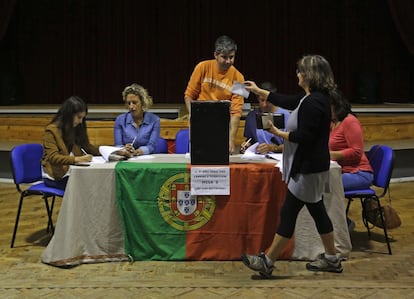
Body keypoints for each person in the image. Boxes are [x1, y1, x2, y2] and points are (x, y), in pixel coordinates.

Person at [241, 54, 343, 277]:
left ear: (309, 75)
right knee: (317, 212)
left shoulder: (315, 102)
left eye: (299, 71)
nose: (297, 74)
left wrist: (278, 133)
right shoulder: (311, 97)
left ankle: (267, 261)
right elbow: (286, 100)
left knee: (289, 212)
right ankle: (332, 258)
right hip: (310, 168)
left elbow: (304, 136)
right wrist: (259, 91)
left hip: (308, 168)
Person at [184, 35, 245, 154]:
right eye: (224, 57)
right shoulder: (202, 67)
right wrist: (194, 115)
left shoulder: (240, 78)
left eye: (231, 57)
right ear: (215, 55)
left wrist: (231, 139)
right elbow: (188, 95)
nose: (228, 61)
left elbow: (236, 111)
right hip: (200, 122)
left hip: (222, 125)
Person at [329, 89, 373, 230]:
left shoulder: (349, 121)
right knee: (317, 183)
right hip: (342, 172)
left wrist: (331, 155)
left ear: (335, 105)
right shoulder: (333, 122)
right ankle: (333, 226)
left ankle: (343, 224)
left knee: (324, 186)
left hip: (359, 173)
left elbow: (356, 152)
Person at [42, 96, 100, 190]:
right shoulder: (51, 131)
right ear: (68, 115)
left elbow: (86, 146)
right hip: (55, 176)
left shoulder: (74, 128)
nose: (81, 121)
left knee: (95, 181)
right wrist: (77, 159)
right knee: (88, 185)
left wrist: (109, 152)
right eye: (79, 117)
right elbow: (53, 157)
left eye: (83, 118)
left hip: (70, 172)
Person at [241, 82, 290, 154]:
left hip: (279, 157)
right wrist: (247, 144)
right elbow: (251, 139)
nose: (264, 105)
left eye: (268, 101)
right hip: (258, 157)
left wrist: (273, 148)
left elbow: (292, 146)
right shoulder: (251, 116)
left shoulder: (286, 115)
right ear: (258, 99)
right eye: (262, 100)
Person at [114, 83, 160, 156]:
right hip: (126, 159)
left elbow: (151, 146)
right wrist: (124, 149)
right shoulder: (120, 120)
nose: (131, 106)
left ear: (142, 103)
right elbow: (118, 146)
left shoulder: (154, 120)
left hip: (147, 159)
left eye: (134, 103)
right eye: (129, 103)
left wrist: (137, 152)